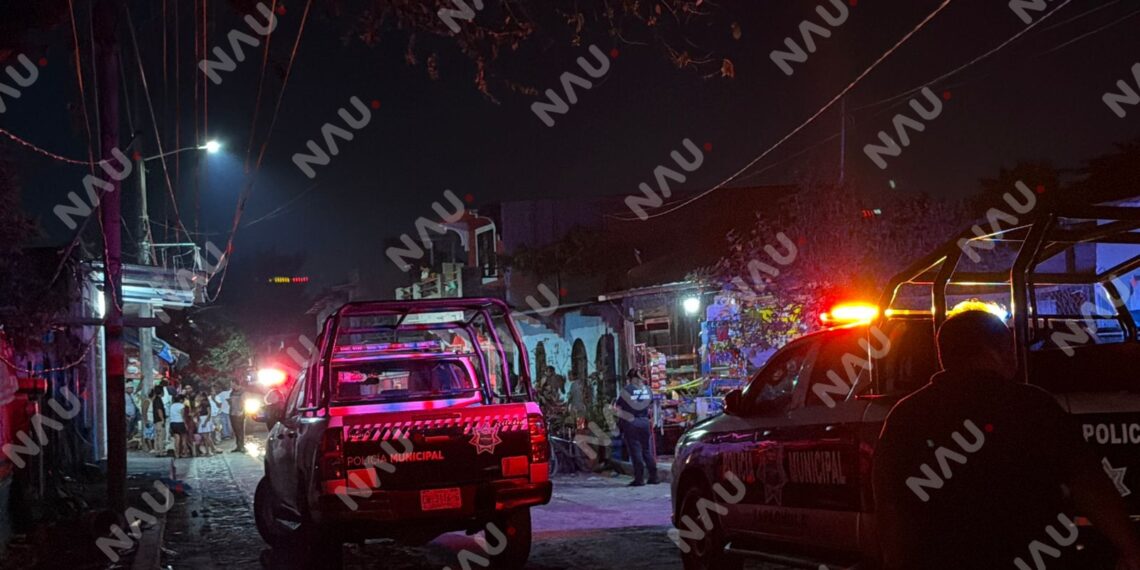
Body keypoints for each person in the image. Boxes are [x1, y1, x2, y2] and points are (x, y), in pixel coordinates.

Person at [872, 309, 1140, 570]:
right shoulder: (1031, 406)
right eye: (1010, 346)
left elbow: (890, 504)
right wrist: (1131, 549)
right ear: (998, 350)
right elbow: (1087, 483)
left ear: (944, 355)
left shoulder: (905, 416)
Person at [614, 368, 658, 487]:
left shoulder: (627, 390)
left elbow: (618, 408)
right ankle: (654, 477)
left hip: (631, 423)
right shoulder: (647, 389)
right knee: (647, 450)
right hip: (645, 422)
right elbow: (651, 406)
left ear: (630, 378)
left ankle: (639, 479)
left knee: (635, 451)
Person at [228, 380, 246, 453]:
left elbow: (245, 402)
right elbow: (231, 403)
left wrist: (242, 411)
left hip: (239, 413)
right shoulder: (232, 392)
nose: (231, 385)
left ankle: (242, 446)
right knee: (235, 430)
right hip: (232, 412)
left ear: (235, 383)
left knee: (240, 430)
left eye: (232, 384)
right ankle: (238, 446)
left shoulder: (242, 391)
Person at [169, 395, 189, 459]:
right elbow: (183, 416)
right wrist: (185, 424)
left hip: (173, 423)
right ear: (181, 400)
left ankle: (177, 454)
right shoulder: (181, 406)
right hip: (180, 423)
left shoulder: (172, 406)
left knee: (177, 440)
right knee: (183, 439)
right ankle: (185, 453)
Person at [149, 386, 167, 456]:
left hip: (156, 420)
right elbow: (159, 410)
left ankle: (157, 451)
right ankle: (161, 451)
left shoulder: (155, 399)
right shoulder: (159, 400)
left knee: (157, 436)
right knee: (161, 436)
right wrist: (162, 419)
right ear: (161, 392)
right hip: (159, 420)